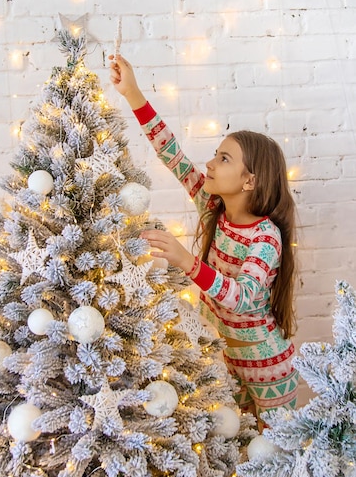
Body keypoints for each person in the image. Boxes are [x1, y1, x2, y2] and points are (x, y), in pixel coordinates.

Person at [109, 54, 298, 428]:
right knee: (234, 447)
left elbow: (243, 298)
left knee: (277, 460)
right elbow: (171, 154)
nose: (210, 164)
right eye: (216, 155)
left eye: (224, 159)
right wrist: (132, 93)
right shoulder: (213, 208)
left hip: (267, 368)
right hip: (224, 359)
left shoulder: (266, 237)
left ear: (250, 181)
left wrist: (186, 261)